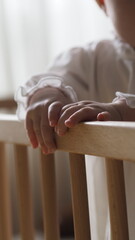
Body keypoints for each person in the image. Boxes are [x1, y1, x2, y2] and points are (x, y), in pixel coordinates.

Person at [15, 0, 135, 239]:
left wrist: (125, 111)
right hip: (117, 217)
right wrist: (47, 96)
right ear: (102, 4)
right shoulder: (92, 58)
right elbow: (54, 76)